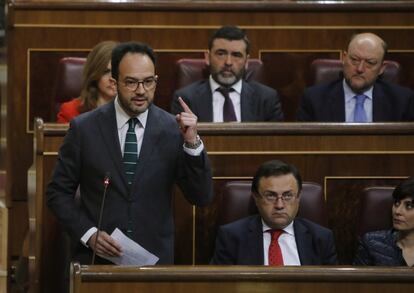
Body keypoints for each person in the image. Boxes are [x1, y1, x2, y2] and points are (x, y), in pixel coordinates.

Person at [47, 41, 213, 265]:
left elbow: (200, 196)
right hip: (98, 261)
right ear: (115, 83)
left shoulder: (174, 130)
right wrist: (89, 234)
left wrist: (192, 143)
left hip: (154, 263)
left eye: (148, 82)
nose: (141, 91)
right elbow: (58, 193)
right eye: (131, 82)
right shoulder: (84, 128)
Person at [211, 160, 337, 265]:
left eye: (288, 196)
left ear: (298, 197)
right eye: (271, 196)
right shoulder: (232, 237)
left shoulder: (321, 238)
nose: (279, 205)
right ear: (256, 198)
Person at [171, 25, 283, 122]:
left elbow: (276, 144)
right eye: (221, 54)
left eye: (236, 55)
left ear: (246, 61)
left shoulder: (267, 99)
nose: (228, 62)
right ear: (207, 58)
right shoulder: (186, 99)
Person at [297, 32, 414, 122]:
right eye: (354, 60)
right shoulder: (314, 99)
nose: (360, 69)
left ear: (382, 68)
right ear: (343, 58)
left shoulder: (402, 101)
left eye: (370, 63)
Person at [354, 178, 414, 266]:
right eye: (396, 203)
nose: (397, 211)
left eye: (409, 206)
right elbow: (357, 278)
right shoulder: (371, 242)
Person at [56, 40, 118, 123]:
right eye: (106, 72)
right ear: (94, 73)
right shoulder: (70, 111)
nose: (112, 78)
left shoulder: (135, 111)